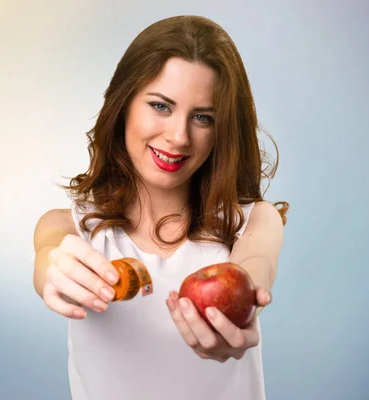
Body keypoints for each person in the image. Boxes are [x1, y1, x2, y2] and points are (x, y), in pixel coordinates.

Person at [33, 15, 289, 400]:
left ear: (222, 131)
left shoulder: (251, 222)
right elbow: (50, 254)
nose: (179, 136)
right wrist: (54, 269)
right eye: (161, 106)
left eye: (203, 117)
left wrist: (244, 309)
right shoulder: (72, 228)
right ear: (124, 106)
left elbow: (255, 269)